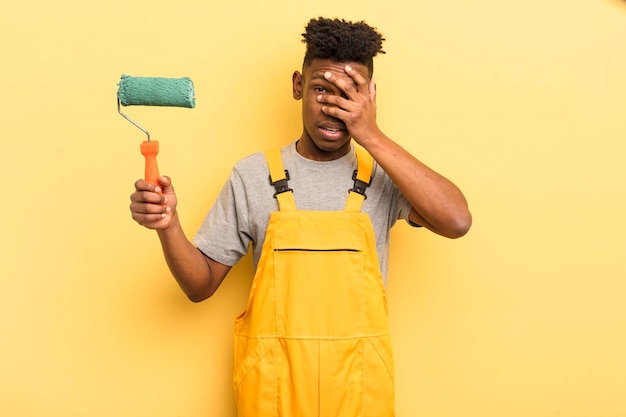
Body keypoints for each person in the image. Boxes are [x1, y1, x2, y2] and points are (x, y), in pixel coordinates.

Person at [130, 17, 471, 417]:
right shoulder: (253, 175)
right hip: (273, 392)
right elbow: (199, 285)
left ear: (371, 97)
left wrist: (371, 134)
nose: (334, 107)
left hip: (359, 391)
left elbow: (456, 221)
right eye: (322, 89)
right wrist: (168, 226)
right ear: (297, 85)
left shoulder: (384, 174)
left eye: (351, 94)